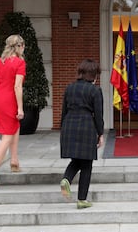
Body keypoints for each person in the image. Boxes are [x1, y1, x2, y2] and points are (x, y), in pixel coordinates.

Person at [59, 59, 104, 209]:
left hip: (69, 124)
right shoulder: (95, 90)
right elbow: (98, 115)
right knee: (87, 164)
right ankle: (82, 199)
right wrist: (101, 133)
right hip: (86, 126)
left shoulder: (69, 88)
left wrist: (63, 129)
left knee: (77, 159)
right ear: (93, 75)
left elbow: (63, 111)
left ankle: (66, 179)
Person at [0, 34, 26, 187]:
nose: (24, 49)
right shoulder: (20, 63)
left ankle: (14, 162)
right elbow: (17, 86)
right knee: (7, 135)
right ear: (19, 46)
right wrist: (20, 107)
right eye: (23, 46)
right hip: (9, 99)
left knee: (14, 127)